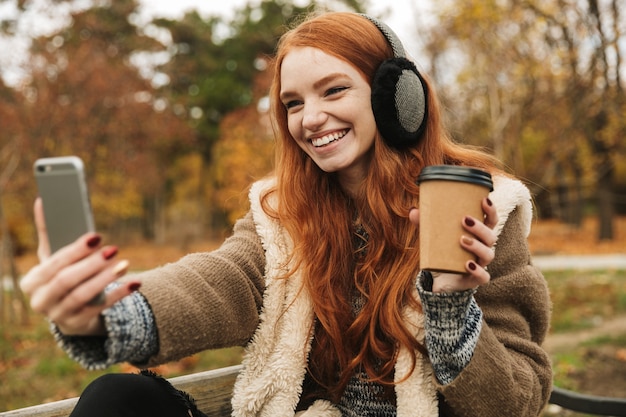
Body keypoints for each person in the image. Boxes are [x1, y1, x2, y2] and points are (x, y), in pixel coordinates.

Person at [20, 11, 552, 417]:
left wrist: (452, 309)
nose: (311, 118)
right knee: (120, 400)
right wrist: (106, 313)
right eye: (293, 103)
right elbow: (221, 281)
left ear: (398, 96)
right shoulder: (283, 214)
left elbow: (517, 401)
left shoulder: (485, 211)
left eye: (334, 90)